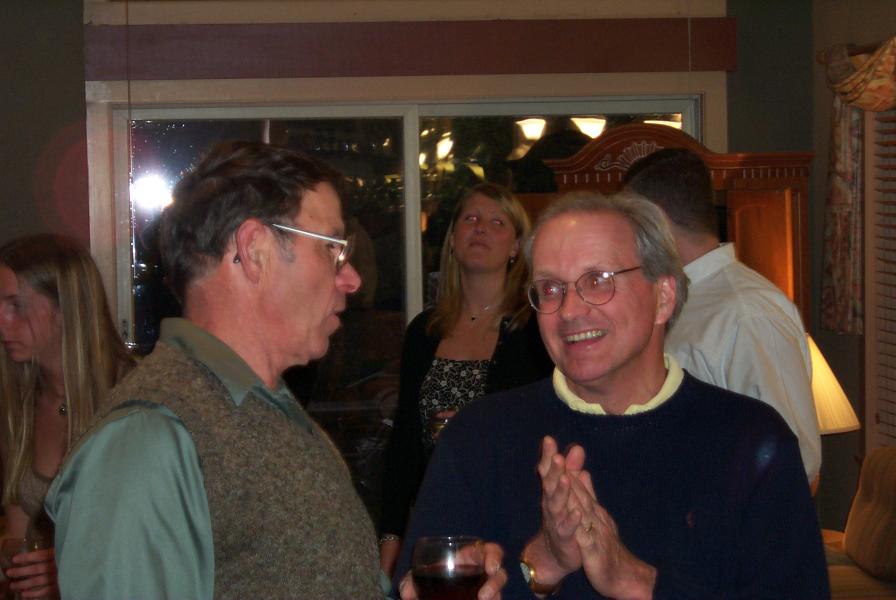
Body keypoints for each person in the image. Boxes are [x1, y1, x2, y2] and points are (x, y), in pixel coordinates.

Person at [43, 140, 506, 600]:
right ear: (255, 250)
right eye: (333, 250)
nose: (352, 279)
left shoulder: (270, 410)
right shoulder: (146, 440)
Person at [394, 191, 829, 598]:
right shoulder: (478, 437)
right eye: (550, 288)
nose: (569, 310)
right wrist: (540, 563)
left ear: (663, 296)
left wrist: (635, 581)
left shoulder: (751, 443)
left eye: (597, 280)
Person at [379, 183, 552, 575]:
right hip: (434, 519)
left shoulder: (535, 331)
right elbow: (405, 441)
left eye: (497, 222)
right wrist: (391, 534)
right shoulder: (424, 331)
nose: (481, 228)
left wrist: (474, 429)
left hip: (511, 523)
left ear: (516, 247)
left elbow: (548, 432)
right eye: (471, 219)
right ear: (453, 240)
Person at [623, 148, 821, 483]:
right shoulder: (663, 299)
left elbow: (793, 456)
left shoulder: (748, 313)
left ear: (656, 220)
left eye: (632, 223)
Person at [0, 234, 135, 599]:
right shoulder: (21, 400)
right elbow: (17, 535)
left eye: (16, 306)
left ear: (64, 310)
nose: (2, 323)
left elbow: (149, 540)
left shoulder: (133, 401)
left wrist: (70, 568)